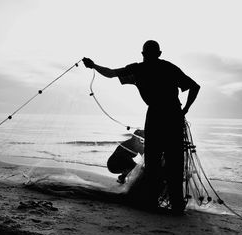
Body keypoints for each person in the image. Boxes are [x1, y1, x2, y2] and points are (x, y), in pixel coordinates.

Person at [83, 40, 200, 214]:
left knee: (153, 162)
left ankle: (151, 201)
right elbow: (194, 86)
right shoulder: (168, 67)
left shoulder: (138, 68)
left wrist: (93, 65)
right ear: (159, 54)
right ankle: (176, 206)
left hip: (155, 117)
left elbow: (111, 73)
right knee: (174, 163)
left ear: (143, 54)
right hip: (173, 116)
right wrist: (185, 109)